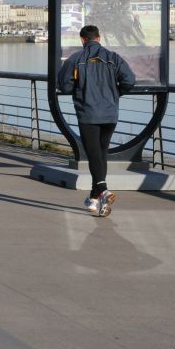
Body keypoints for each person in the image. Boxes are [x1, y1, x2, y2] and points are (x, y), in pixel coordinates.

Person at [57, 25, 135, 216]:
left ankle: (104, 190)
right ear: (99, 38)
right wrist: (115, 94)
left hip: (88, 114)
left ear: (83, 40)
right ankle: (95, 200)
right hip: (110, 114)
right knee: (100, 154)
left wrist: (77, 88)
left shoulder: (76, 59)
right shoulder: (114, 58)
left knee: (93, 155)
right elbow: (130, 80)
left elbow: (65, 86)